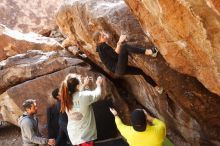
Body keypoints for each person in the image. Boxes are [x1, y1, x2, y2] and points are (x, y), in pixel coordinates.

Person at [93, 31, 163, 94]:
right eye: (102, 36)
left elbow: (114, 56)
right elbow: (115, 55)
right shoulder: (103, 46)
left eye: (103, 34)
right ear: (99, 40)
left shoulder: (100, 50)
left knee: (141, 71)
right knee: (125, 47)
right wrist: (119, 42)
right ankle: (150, 52)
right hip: (118, 67)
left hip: (118, 71)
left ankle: (157, 88)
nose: (104, 36)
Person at [59, 73, 103, 146]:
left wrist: (85, 85)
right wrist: (98, 84)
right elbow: (97, 94)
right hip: (84, 135)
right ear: (77, 86)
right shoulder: (83, 95)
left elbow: (79, 97)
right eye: (80, 81)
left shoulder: (67, 99)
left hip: (74, 135)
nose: (82, 81)